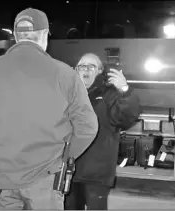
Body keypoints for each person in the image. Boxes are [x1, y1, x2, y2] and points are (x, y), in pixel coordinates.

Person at [0, 8, 98, 210]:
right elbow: (88, 128)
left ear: (15, 35)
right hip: (45, 181)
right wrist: (62, 156)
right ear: (45, 35)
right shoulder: (66, 75)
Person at [64, 53, 141, 210]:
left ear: (100, 71)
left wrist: (125, 90)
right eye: (82, 66)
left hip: (96, 174)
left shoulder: (109, 95)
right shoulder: (67, 94)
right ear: (75, 70)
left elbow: (126, 117)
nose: (85, 69)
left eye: (91, 66)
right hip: (69, 172)